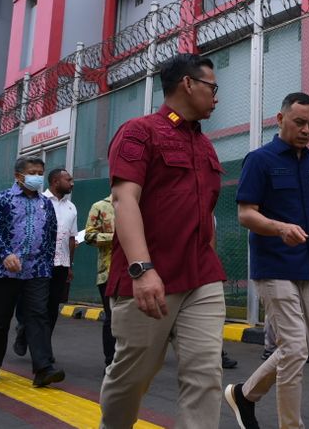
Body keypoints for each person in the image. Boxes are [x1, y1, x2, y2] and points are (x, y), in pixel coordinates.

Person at [99, 53, 227, 429]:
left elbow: (206, 214)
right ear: (188, 83)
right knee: (132, 376)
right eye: (212, 87)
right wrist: (142, 269)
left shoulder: (206, 146)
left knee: (206, 374)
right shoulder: (140, 132)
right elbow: (124, 200)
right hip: (149, 274)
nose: (217, 96)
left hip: (201, 277)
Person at [225, 92, 309, 429]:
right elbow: (245, 214)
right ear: (280, 119)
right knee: (294, 348)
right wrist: (280, 228)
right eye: (299, 122)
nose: (306, 130)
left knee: (300, 347)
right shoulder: (259, 160)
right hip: (274, 267)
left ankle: (244, 395)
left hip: (307, 267)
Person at [0, 156, 64, 387]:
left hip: (37, 271)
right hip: (5, 271)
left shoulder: (46, 203)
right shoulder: (1, 199)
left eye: (40, 173)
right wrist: (4, 254)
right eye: (32, 172)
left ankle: (44, 368)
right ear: (18, 176)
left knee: (38, 317)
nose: (37, 177)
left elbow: (51, 234)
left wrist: (47, 265)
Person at [14, 168, 77, 355]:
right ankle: (24, 331)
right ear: (56, 181)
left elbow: (72, 238)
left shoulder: (71, 207)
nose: (72, 183)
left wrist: (69, 265)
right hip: (39, 264)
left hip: (61, 264)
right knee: (36, 306)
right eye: (68, 179)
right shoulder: (39, 202)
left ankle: (43, 348)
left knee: (52, 308)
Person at [83, 194, 116, 368]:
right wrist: (114, 237)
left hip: (137, 271)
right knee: (112, 317)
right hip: (108, 272)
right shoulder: (100, 206)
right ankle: (110, 363)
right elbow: (89, 236)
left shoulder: (142, 205)